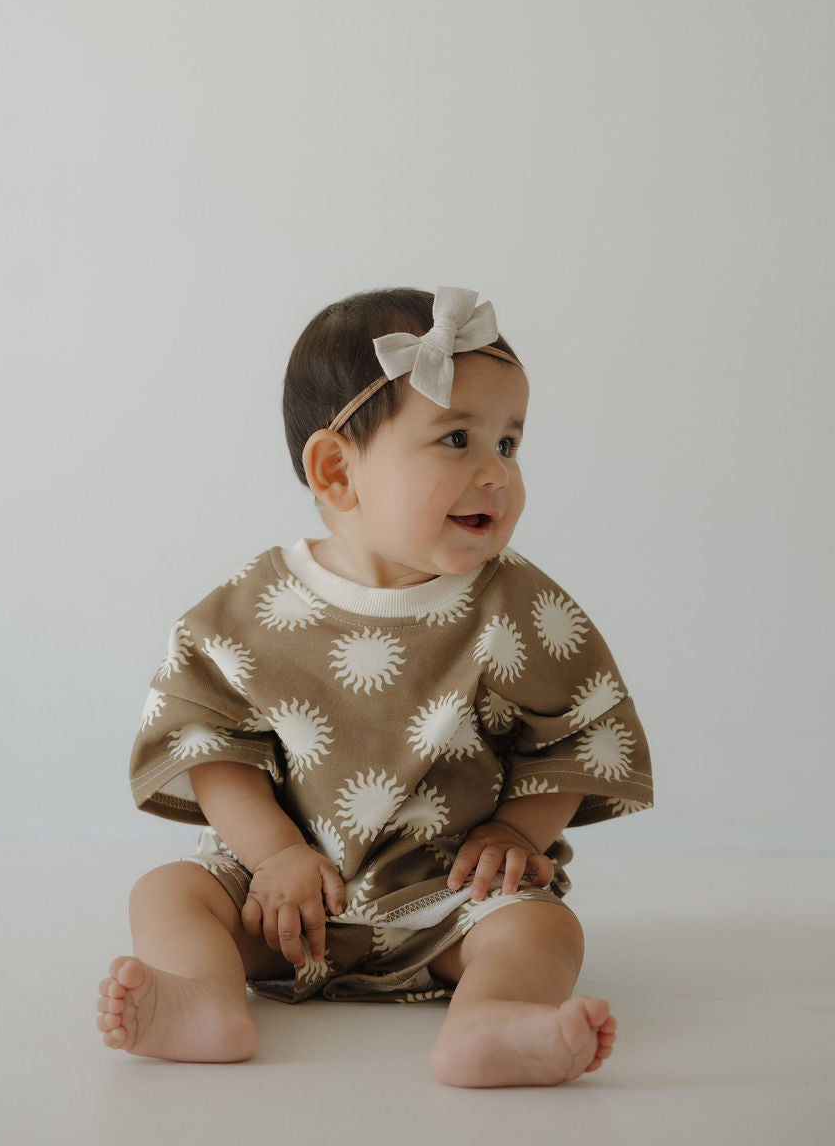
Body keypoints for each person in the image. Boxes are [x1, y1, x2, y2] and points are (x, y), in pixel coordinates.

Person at [96, 286, 652, 1087]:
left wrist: (521, 835)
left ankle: (492, 1019)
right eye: (457, 439)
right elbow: (210, 743)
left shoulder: (518, 607)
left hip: (449, 902)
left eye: (509, 442)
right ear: (335, 469)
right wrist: (276, 855)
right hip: (282, 906)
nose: (496, 473)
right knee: (170, 893)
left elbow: (574, 736)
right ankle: (205, 998)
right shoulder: (252, 609)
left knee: (544, 931)